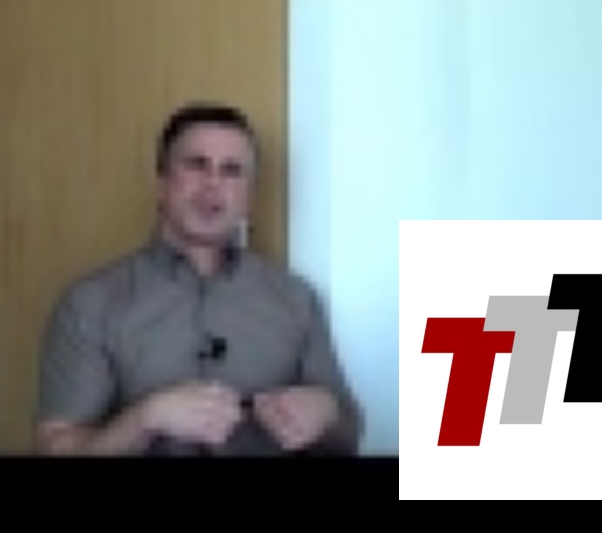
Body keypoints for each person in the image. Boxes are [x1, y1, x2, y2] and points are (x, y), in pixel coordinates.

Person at [34, 102, 362, 456]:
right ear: (161, 184)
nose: (213, 185)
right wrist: (143, 419)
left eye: (231, 171)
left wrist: (327, 411)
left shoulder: (297, 299)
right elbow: (57, 446)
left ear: (248, 197)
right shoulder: (90, 304)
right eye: (196, 165)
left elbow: (349, 432)